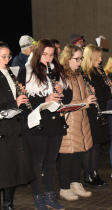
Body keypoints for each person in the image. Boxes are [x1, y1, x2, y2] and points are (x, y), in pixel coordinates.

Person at [0, 41, 36, 210]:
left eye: (8, 56)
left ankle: (9, 205)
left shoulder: (9, 73)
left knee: (12, 170)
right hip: (0, 130)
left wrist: (22, 97)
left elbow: (17, 102)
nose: (7, 60)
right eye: (3, 57)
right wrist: (14, 102)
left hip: (15, 127)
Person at [18, 39, 72, 210]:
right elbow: (24, 101)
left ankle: (50, 196)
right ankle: (37, 198)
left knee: (50, 162)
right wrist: (44, 99)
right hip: (37, 123)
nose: (48, 58)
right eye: (45, 55)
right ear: (37, 54)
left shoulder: (57, 71)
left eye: (51, 55)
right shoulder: (26, 72)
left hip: (55, 123)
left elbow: (68, 98)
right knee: (37, 162)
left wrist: (63, 92)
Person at [57, 44, 94, 201]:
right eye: (76, 59)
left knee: (79, 152)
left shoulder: (79, 74)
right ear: (67, 58)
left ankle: (75, 183)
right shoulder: (61, 75)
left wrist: (90, 92)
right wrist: (85, 102)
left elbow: (83, 94)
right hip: (69, 119)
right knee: (67, 154)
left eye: (81, 59)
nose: (79, 62)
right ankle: (64, 187)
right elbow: (64, 103)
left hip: (81, 118)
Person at [81, 44, 112, 188]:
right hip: (91, 112)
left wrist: (108, 87)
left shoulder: (97, 72)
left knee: (97, 145)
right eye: (98, 57)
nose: (101, 59)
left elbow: (102, 91)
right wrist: (108, 93)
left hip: (100, 110)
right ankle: (88, 175)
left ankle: (94, 173)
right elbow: (94, 94)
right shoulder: (84, 73)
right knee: (90, 145)